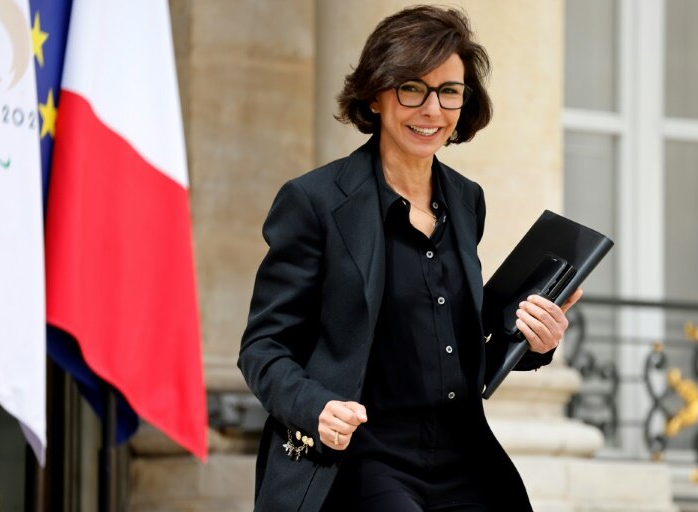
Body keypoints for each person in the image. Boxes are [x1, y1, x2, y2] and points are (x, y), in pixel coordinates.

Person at [238, 5, 582, 511]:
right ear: (375, 95)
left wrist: (535, 341)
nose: (432, 110)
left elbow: (453, 335)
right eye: (412, 89)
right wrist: (317, 408)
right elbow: (263, 347)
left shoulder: (466, 201)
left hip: (461, 450)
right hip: (362, 454)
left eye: (449, 92)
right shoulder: (314, 202)